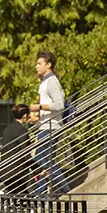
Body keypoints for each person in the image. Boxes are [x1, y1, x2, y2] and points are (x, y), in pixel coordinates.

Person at [30, 51, 70, 195]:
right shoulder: (45, 82)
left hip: (51, 127)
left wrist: (39, 107)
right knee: (44, 162)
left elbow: (59, 105)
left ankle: (66, 191)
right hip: (45, 125)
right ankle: (39, 195)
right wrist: (38, 117)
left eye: (40, 63)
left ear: (49, 65)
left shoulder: (52, 81)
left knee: (41, 157)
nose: (36, 66)